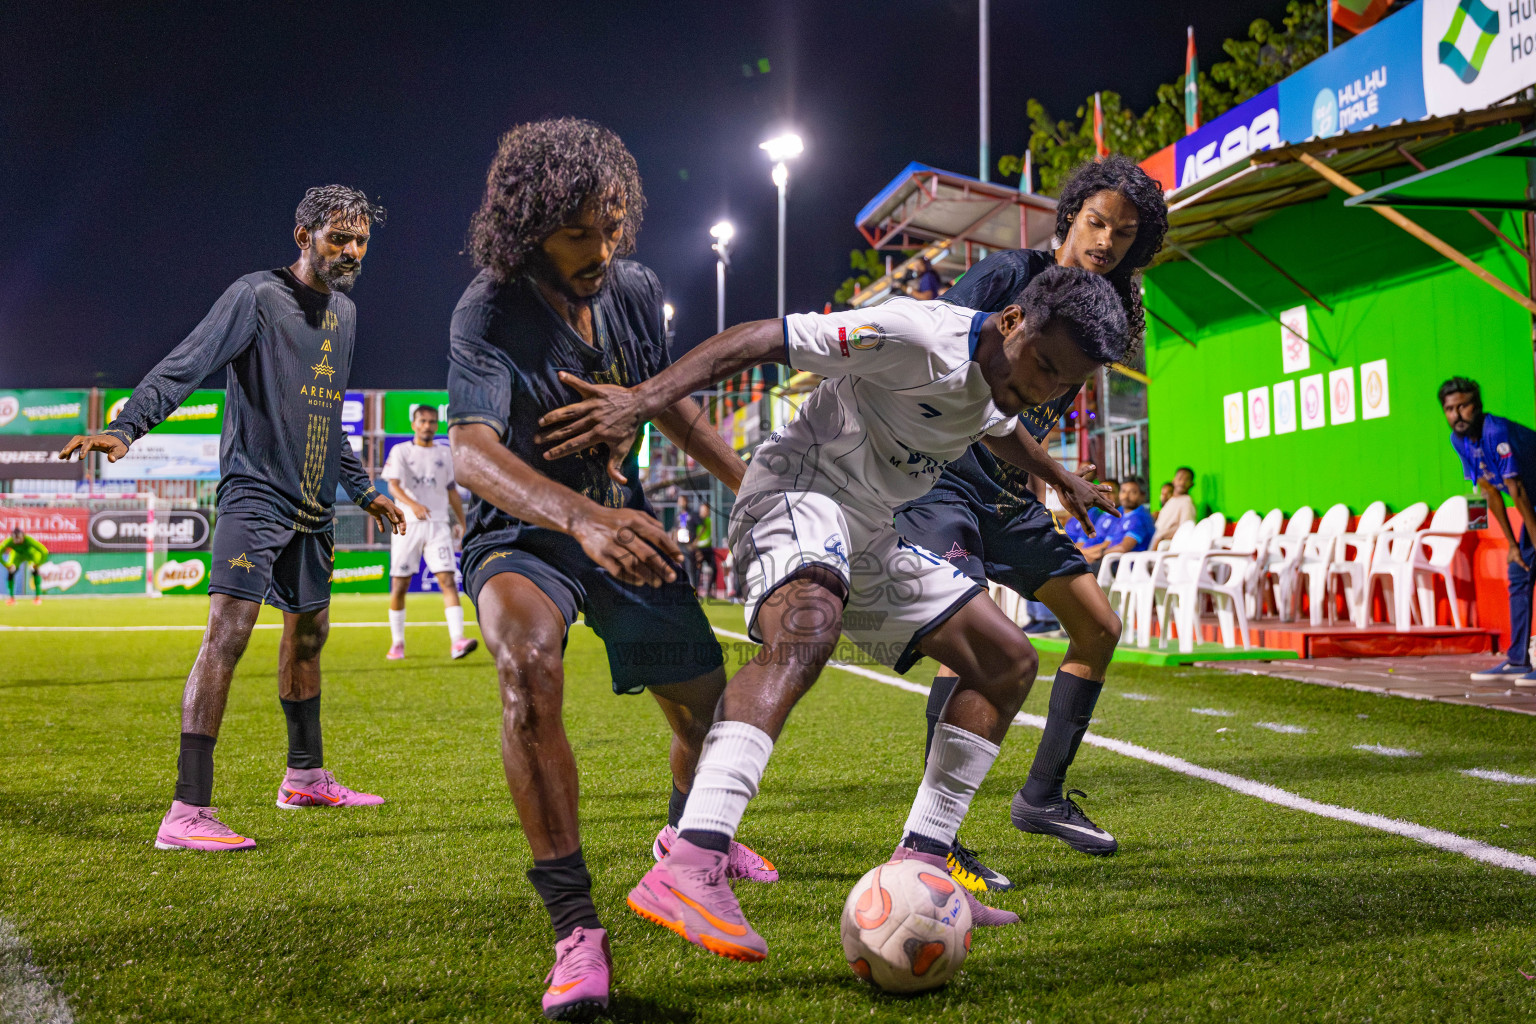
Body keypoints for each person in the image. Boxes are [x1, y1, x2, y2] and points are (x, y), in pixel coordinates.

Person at [537, 262, 1131, 962]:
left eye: (1064, 382)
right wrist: (641, 401)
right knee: (808, 623)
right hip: (794, 491)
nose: (1046, 389)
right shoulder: (914, 332)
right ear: (1010, 321)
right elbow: (758, 339)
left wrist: (1060, 474)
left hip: (870, 527)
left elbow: (996, 424)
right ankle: (692, 861)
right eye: (1045, 367)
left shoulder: (1002, 375)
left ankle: (925, 861)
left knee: (1006, 662)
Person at [444, 118, 776, 1020]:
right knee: (526, 670)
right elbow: (470, 453)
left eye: (612, 224)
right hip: (527, 532)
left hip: (621, 523)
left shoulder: (633, 287)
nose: (602, 248)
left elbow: (669, 407)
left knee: (712, 713)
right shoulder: (489, 308)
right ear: (528, 231)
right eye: (578, 233)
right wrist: (577, 516)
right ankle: (576, 933)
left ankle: (684, 845)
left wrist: (755, 488)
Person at [58, 185, 405, 851]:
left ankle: (304, 776)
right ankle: (187, 810)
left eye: (360, 240)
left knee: (308, 641)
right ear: (303, 235)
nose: (352, 250)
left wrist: (362, 492)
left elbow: (327, 418)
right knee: (228, 638)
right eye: (339, 238)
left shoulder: (347, 315)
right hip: (255, 495)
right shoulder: (255, 297)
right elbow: (186, 364)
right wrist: (126, 429)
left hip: (313, 506)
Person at [891, 154, 1169, 887]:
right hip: (942, 481)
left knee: (1098, 627)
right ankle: (934, 840)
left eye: (1124, 234)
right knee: (970, 644)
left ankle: (1041, 796)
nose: (1106, 241)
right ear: (1070, 216)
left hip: (1009, 494)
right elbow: (938, 356)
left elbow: (1038, 405)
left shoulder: (1106, 310)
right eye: (1096, 222)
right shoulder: (1008, 275)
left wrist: (1050, 480)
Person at [1443, 378, 1536, 683]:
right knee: (1519, 572)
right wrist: (1512, 544)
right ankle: (1518, 660)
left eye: (1464, 406)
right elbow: (1488, 490)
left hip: (1529, 498)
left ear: (1478, 406)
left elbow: (1516, 488)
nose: (1457, 414)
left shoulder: (1496, 431)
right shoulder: (1459, 441)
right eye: (1450, 409)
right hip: (1530, 501)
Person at [383, 404, 476, 661]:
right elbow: (393, 485)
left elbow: (451, 490)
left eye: (432, 421)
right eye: (423, 421)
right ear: (414, 424)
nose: (428, 426)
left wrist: (462, 521)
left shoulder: (445, 454)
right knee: (400, 585)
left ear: (437, 425)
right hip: (407, 525)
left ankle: (458, 640)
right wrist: (412, 505)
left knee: (447, 580)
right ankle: (397, 643)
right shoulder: (401, 451)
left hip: (438, 525)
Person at [1078, 478, 1155, 571]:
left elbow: (1124, 547)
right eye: (1123, 491)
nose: (1126, 496)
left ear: (1143, 496)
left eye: (1133, 492)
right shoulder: (1123, 516)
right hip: (1109, 560)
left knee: (1076, 570)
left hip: (1122, 564)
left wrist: (1099, 554)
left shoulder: (1139, 517)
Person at [1151, 466, 1196, 548]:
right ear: (1173, 480)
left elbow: (1186, 530)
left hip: (1165, 545)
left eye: (1187, 480)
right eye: (1180, 478)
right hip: (1155, 540)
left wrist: (1162, 538)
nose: (1182, 482)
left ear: (1192, 484)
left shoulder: (1186, 502)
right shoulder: (1171, 500)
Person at [1, 527, 47, 605]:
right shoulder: (9, 541)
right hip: (17, 556)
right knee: (11, 572)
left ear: (23, 536)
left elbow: (44, 551)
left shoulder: (29, 540)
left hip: (30, 555)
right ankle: (11, 598)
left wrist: (38, 564)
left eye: (19, 538)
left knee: (34, 571)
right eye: (16, 539)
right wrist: (6, 565)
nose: (18, 541)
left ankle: (38, 597)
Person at [692, 500, 717, 598]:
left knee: (714, 568)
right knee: (698, 570)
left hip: (708, 549)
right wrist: (696, 550)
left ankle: (709, 591)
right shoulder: (697, 521)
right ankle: (696, 592)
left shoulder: (709, 520)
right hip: (699, 549)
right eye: (705, 510)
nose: (707, 512)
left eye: (707, 510)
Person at [674, 493, 695, 584]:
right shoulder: (677, 515)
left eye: (682, 501)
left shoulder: (692, 514)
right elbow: (675, 530)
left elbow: (702, 527)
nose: (681, 503)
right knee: (681, 568)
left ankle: (693, 588)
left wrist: (695, 542)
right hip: (679, 544)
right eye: (679, 501)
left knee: (690, 568)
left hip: (689, 545)